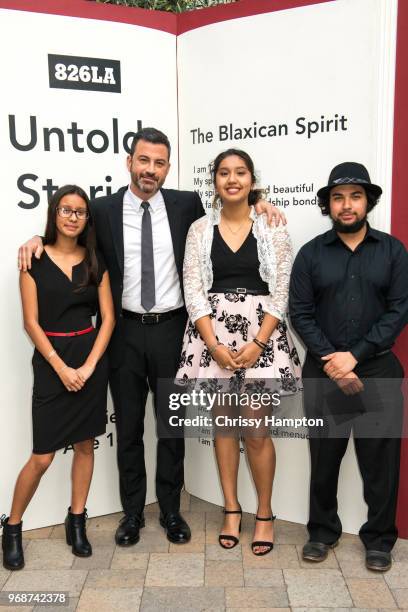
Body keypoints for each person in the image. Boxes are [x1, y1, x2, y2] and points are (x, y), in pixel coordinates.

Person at [17, 128, 285, 547]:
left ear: (168, 168)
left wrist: (261, 204)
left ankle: (171, 510)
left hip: (174, 331)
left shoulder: (186, 205)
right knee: (128, 427)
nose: (150, 170)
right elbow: (67, 235)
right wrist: (37, 237)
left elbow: (230, 210)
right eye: (144, 161)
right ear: (129, 162)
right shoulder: (102, 210)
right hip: (121, 332)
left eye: (159, 163)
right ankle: (132, 514)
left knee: (172, 426)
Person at [177, 148, 301, 555]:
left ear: (251, 179)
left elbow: (281, 290)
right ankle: (232, 509)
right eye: (224, 173)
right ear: (214, 181)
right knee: (224, 427)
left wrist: (260, 342)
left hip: (260, 336)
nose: (232, 179)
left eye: (241, 172)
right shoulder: (198, 229)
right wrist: (212, 344)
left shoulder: (273, 225)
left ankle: (264, 513)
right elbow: (193, 289)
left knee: (257, 429)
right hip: (211, 336)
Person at [289, 162, 408, 572]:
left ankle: (378, 539)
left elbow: (399, 311)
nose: (346, 205)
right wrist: (334, 362)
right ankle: (322, 533)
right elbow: (300, 314)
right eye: (338, 197)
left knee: (381, 463)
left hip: (376, 370)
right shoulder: (310, 254)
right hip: (325, 372)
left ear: (368, 201)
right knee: (325, 460)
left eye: (355, 196)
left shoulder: (393, 251)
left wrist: (354, 356)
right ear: (328, 204)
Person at [1, 185, 115, 571]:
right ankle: (12, 527)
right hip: (52, 364)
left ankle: (77, 521)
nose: (72, 216)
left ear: (87, 220)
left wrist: (87, 367)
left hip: (89, 363)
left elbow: (108, 320)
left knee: (85, 446)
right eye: (65, 209)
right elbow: (30, 323)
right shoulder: (32, 260)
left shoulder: (95, 261)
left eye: (80, 211)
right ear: (53, 214)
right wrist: (62, 368)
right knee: (43, 455)